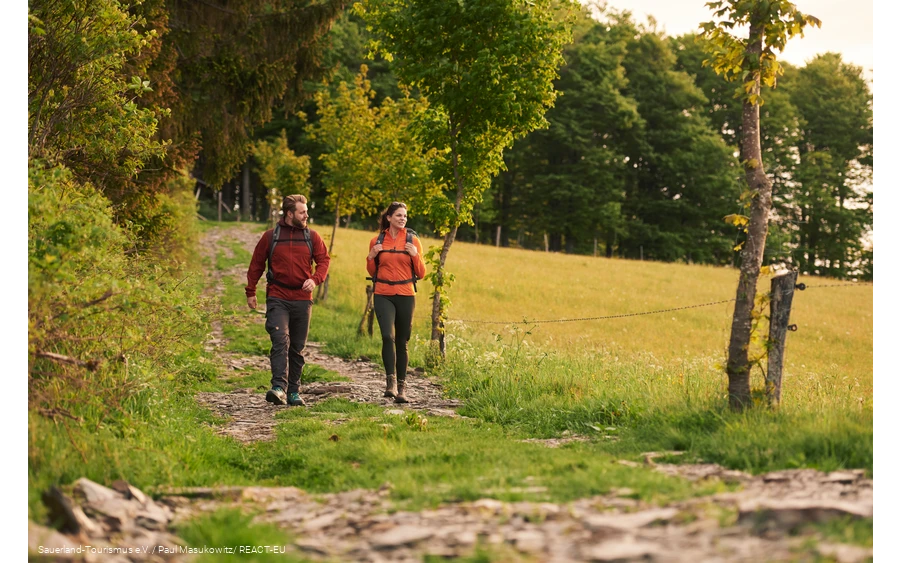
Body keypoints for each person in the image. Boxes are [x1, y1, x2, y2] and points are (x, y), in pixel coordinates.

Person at [246, 194, 330, 407]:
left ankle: (293, 391)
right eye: (302, 212)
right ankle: (278, 387)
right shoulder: (270, 236)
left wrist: (315, 279)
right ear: (290, 214)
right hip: (278, 296)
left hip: (303, 299)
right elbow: (256, 263)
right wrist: (251, 291)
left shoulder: (313, 237)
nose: (306, 215)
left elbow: (323, 261)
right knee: (280, 339)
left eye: (306, 211)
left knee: (297, 347)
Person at [366, 202, 427, 403]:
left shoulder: (413, 241)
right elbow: (372, 271)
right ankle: (390, 383)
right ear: (389, 217)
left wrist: (415, 256)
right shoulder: (377, 240)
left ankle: (402, 388)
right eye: (399, 215)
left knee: (402, 341)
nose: (403, 219)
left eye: (405, 216)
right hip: (383, 293)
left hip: (406, 294)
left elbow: (421, 273)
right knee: (387, 336)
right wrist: (371, 256)